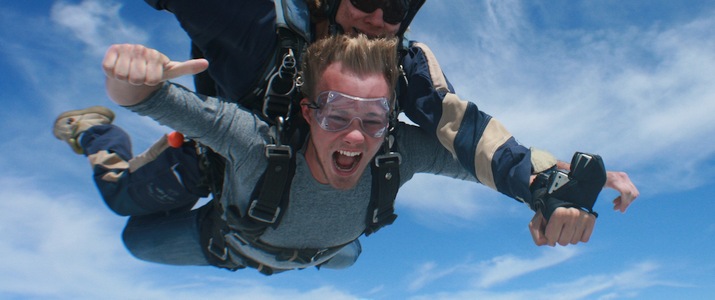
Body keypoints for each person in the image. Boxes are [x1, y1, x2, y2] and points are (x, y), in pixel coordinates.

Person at [53, 0, 638, 271]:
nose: (380, 20)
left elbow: (463, 133)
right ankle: (98, 135)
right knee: (123, 203)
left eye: (400, 7)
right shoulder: (253, 23)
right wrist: (133, 78)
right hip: (216, 156)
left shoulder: (400, 63)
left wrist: (552, 179)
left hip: (303, 227)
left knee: (344, 249)